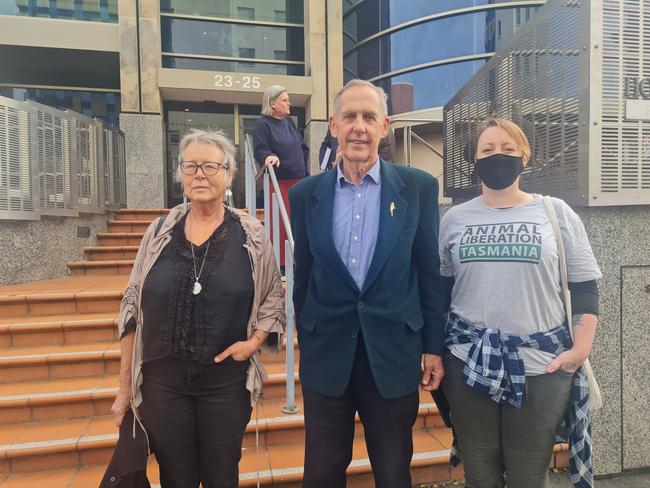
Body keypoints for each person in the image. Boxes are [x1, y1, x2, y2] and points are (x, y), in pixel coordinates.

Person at [289, 79, 447, 488]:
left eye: (369, 117)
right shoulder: (306, 195)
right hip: (327, 358)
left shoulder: (419, 188)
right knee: (322, 473)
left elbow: (429, 273)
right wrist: (307, 331)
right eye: (350, 117)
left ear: (385, 126)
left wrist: (433, 346)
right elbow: (302, 273)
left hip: (393, 354)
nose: (359, 126)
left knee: (394, 473)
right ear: (334, 125)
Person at [110, 129, 286, 488]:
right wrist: (125, 389)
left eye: (209, 166)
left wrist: (253, 344)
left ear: (229, 175)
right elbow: (131, 310)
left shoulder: (251, 234)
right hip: (163, 386)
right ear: (180, 174)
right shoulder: (158, 232)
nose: (199, 174)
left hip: (225, 386)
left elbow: (272, 296)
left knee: (222, 475)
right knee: (176, 478)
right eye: (190, 166)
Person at [437, 118, 601, 487]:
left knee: (529, 473)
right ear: (473, 159)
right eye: (488, 149)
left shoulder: (556, 213)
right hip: (467, 363)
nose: (498, 156)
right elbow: (442, 292)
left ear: (525, 156)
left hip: (541, 367)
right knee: (480, 470)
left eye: (509, 149)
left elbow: (585, 287)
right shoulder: (455, 219)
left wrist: (580, 348)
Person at [253, 84, 309, 265]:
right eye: (285, 100)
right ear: (272, 103)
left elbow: (301, 145)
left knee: (299, 225)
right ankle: (282, 265)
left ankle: (297, 260)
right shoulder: (262, 124)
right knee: (282, 226)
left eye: (288, 99)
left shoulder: (289, 122)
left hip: (299, 181)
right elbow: (260, 150)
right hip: (280, 184)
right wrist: (269, 156)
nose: (289, 103)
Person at [318, 127, 395, 170]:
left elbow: (385, 162)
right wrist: (324, 168)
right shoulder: (334, 127)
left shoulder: (381, 132)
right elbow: (326, 147)